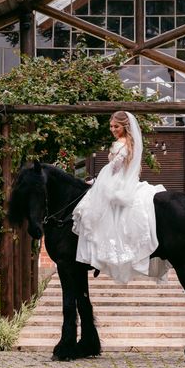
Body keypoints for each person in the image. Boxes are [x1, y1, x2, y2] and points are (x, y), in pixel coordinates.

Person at [72, 111, 168, 283]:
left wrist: (97, 183)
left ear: (125, 126)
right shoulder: (129, 144)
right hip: (124, 181)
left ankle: (102, 253)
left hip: (117, 183)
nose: (112, 129)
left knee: (92, 211)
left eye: (116, 126)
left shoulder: (120, 144)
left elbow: (113, 169)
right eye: (111, 126)